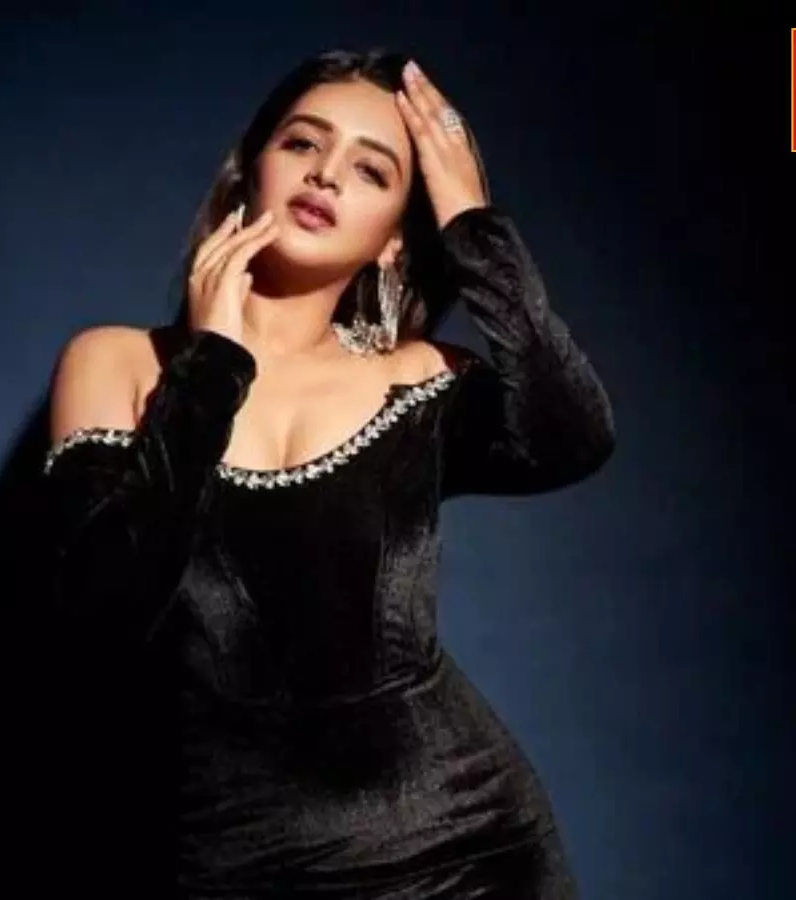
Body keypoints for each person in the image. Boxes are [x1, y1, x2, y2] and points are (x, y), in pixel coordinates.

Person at [39, 48, 615, 899]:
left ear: (394, 241)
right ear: (251, 173)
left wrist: (471, 225)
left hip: (468, 850)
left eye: (372, 170)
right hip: (229, 861)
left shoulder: (417, 378)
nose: (327, 174)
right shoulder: (117, 365)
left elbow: (572, 437)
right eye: (303, 143)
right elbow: (102, 611)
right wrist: (211, 368)